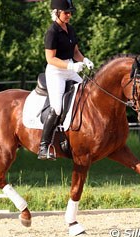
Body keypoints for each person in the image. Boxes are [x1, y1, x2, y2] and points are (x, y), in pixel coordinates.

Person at [38, 0, 94, 160]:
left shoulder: (69, 29)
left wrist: (83, 60)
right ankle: (43, 146)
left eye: (70, 12)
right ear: (56, 13)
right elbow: (50, 58)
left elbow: (75, 51)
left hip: (70, 69)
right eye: (66, 12)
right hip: (56, 72)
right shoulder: (52, 32)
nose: (69, 15)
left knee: (87, 93)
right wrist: (70, 67)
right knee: (57, 108)